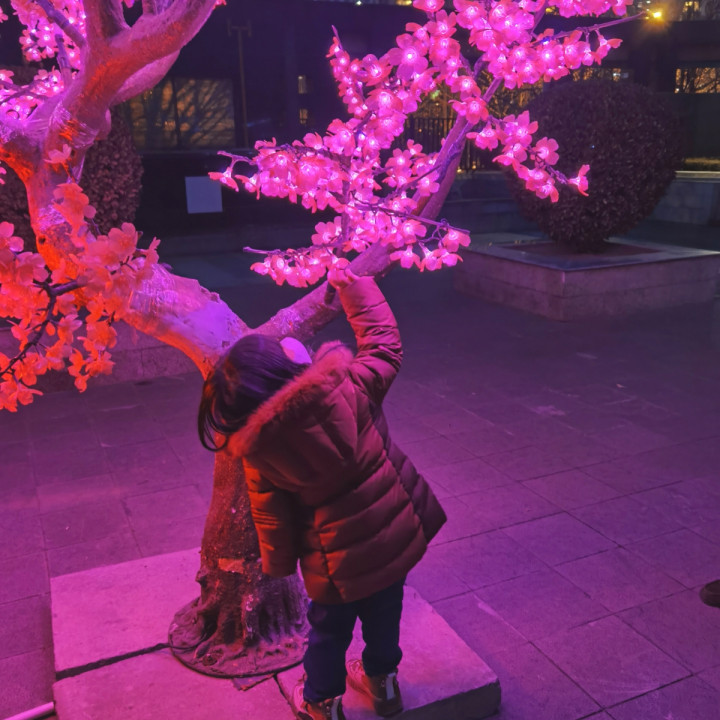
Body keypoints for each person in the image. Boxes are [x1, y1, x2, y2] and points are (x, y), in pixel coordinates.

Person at [198, 266, 446, 720]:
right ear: (289, 361)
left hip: (334, 565)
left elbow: (270, 517)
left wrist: (278, 568)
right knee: (386, 613)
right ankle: (384, 683)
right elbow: (385, 346)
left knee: (329, 633)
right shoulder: (350, 384)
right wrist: (355, 286)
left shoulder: (261, 452)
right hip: (393, 534)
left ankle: (321, 702)